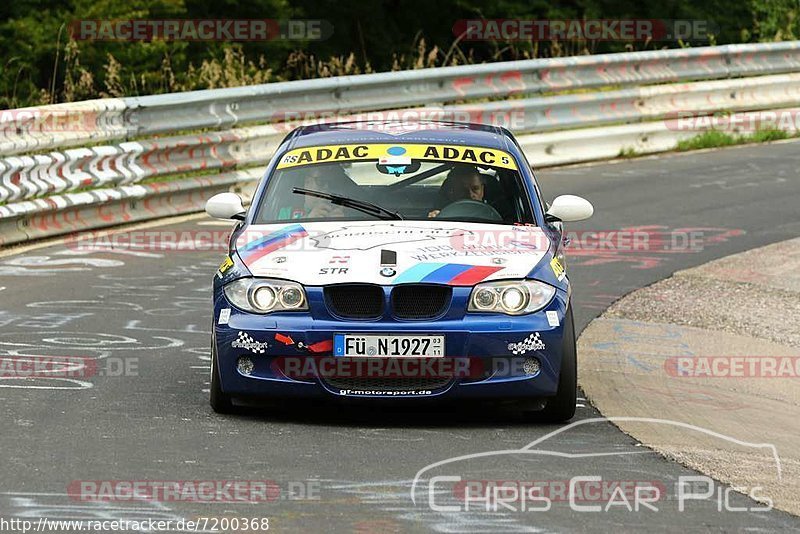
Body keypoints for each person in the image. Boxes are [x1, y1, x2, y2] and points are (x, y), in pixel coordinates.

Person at [277, 164, 353, 220]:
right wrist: (308, 219)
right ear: (307, 182)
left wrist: (343, 223)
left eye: (332, 183)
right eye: (321, 181)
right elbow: (276, 239)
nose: (327, 187)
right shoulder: (287, 214)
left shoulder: (354, 211)